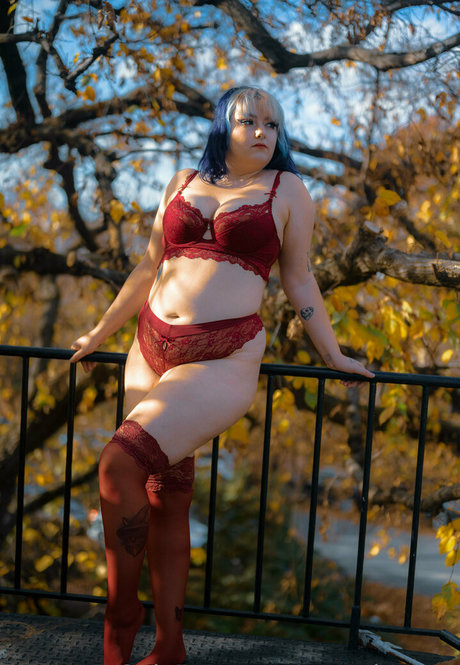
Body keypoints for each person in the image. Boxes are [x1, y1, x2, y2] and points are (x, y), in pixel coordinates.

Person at [70, 86, 374, 665]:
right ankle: (169, 646)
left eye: (272, 125)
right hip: (149, 345)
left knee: (117, 465)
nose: (263, 132)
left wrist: (334, 355)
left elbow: (300, 279)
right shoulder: (182, 181)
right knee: (164, 494)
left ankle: (121, 614)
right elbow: (148, 265)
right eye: (249, 121)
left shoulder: (288, 190)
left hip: (222, 353)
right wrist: (99, 334)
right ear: (222, 127)